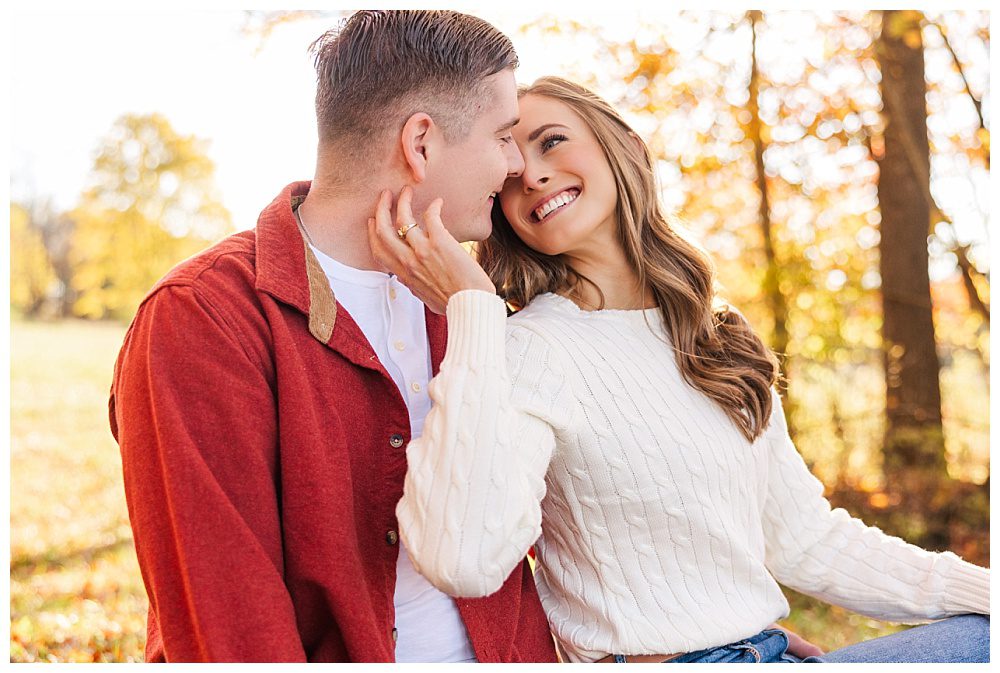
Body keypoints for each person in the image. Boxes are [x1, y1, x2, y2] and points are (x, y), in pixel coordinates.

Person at [369, 76, 990, 663]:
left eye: (552, 140)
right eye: (509, 170)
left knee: (983, 631)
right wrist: (473, 309)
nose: (529, 174)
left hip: (764, 650)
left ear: (626, 150)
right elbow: (462, 558)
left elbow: (808, 540)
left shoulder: (716, 333)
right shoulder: (524, 347)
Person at [108, 10, 558, 663]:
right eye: (503, 136)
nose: (517, 166)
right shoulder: (202, 317)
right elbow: (228, 625)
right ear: (421, 143)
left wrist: (475, 315)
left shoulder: (470, 302)